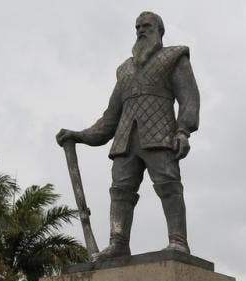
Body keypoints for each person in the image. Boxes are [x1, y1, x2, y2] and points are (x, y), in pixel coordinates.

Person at [56, 11, 200, 259]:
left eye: (147, 26)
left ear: (159, 30)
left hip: (160, 135)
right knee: (120, 191)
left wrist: (183, 130)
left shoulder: (174, 57)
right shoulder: (124, 71)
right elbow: (110, 118)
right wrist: (79, 135)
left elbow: (189, 98)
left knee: (168, 185)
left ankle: (178, 241)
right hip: (125, 142)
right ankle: (118, 242)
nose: (141, 30)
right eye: (137, 27)